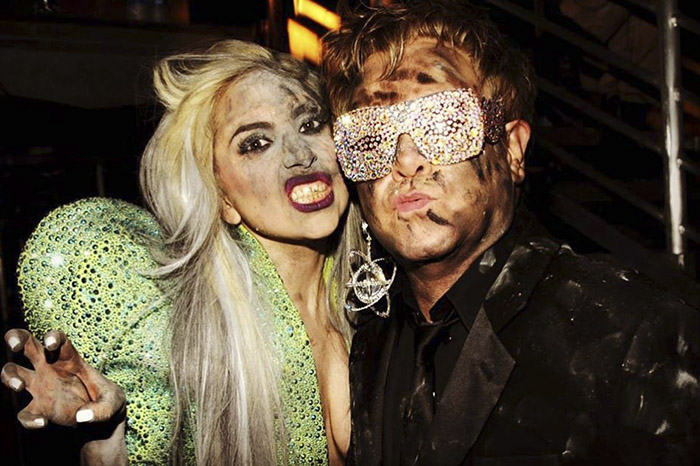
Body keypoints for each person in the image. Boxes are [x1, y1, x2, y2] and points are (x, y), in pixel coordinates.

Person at [323, 1, 700, 464]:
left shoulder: (631, 329)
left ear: (514, 150)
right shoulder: (365, 342)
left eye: (442, 123)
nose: (406, 161)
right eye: (371, 137)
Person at [2, 40, 362, 465]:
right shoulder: (187, 347)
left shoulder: (387, 301)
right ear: (222, 198)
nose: (300, 155)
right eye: (256, 143)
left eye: (310, 124)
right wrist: (105, 441)